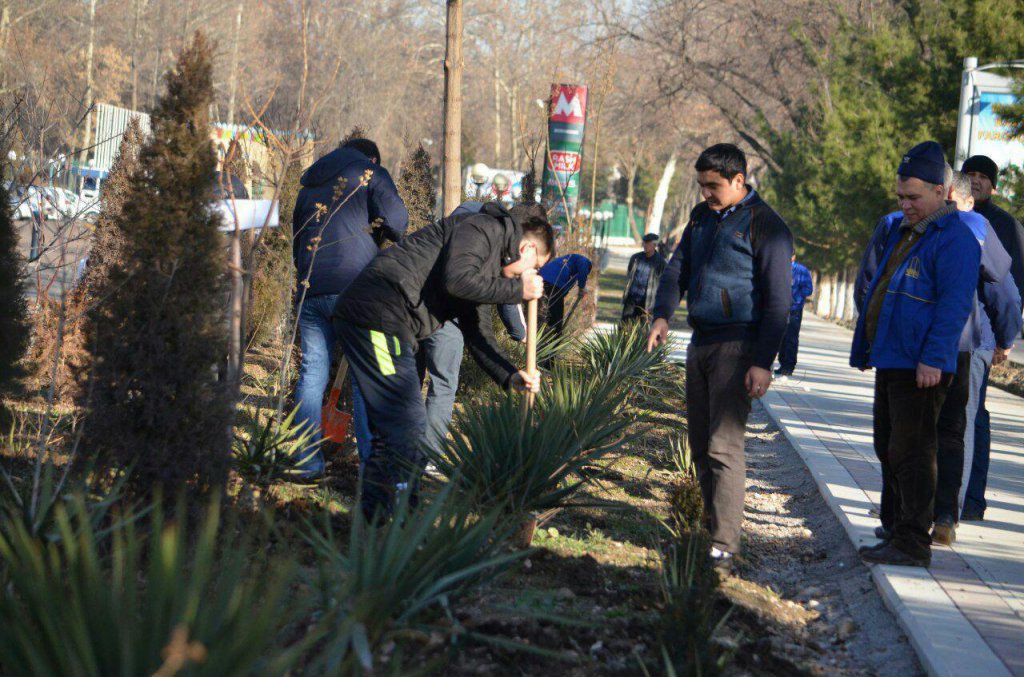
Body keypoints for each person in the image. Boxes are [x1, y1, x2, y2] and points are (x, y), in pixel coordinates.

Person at [333, 201, 553, 520]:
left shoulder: (486, 265)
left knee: (400, 424)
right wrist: (518, 288)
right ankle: (383, 519)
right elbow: (456, 280)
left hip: (388, 324)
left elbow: (479, 334)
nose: (532, 275)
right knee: (404, 420)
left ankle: (389, 518)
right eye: (536, 267)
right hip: (375, 318)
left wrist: (510, 375)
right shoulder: (481, 229)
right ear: (528, 248)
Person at [647, 143, 794, 571]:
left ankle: (726, 547)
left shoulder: (768, 227)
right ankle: (712, 532)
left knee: (722, 446)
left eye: (714, 186)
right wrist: (661, 315)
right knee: (698, 444)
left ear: (738, 181)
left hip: (740, 345)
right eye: (702, 185)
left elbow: (779, 301)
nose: (707, 193)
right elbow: (678, 269)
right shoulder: (701, 217)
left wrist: (763, 361)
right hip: (701, 343)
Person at [851, 141, 980, 567]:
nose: (905, 205)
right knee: (888, 446)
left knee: (914, 450)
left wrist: (934, 358)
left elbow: (954, 304)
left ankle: (912, 542)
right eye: (901, 197)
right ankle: (894, 528)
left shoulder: (955, 237)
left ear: (941, 192)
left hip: (920, 364)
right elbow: (883, 289)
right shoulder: (903, 230)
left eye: (914, 198)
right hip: (893, 357)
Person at [291, 138, 408, 480]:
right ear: (371, 156)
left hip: (312, 286)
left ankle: (305, 461)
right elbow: (399, 221)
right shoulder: (369, 172)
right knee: (365, 376)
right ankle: (372, 469)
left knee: (312, 373)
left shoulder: (308, 184)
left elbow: (298, 237)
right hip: (356, 289)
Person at [963, 154, 1024, 305]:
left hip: (987, 320)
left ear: (993, 187)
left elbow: (1017, 283)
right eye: (970, 174)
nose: (975, 180)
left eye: (983, 177)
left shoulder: (1008, 225)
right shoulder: (946, 215)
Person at [776, 255, 813, 376]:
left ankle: (789, 365)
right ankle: (782, 364)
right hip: (779, 308)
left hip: (794, 309)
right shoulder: (778, 267)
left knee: (791, 338)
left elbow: (808, 289)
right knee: (779, 337)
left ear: (793, 256)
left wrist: (795, 298)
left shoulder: (801, 270)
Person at [539, 252, 592, 337]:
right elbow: (583, 269)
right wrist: (582, 287)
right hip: (552, 284)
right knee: (555, 320)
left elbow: (565, 290)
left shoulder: (564, 262)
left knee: (544, 314)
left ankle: (546, 337)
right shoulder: (583, 260)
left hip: (540, 281)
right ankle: (553, 342)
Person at [621, 233, 667, 324]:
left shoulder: (661, 263)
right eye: (644, 243)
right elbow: (630, 274)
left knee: (643, 329)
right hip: (631, 299)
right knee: (624, 326)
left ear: (654, 245)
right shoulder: (635, 258)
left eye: (648, 243)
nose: (645, 245)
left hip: (647, 302)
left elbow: (663, 284)